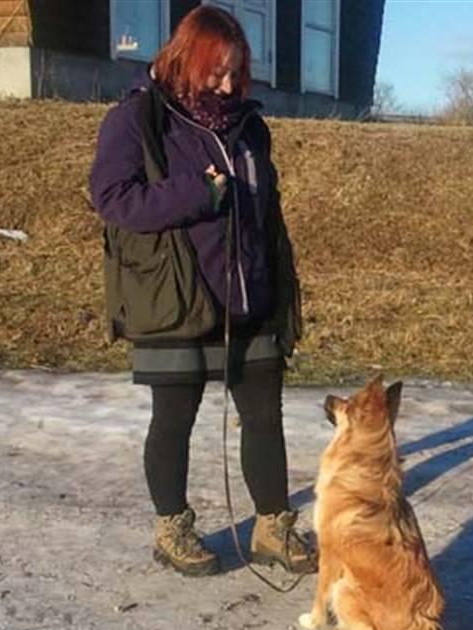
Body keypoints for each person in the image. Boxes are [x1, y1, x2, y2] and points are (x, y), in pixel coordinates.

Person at [89, 6, 315, 577]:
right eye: (216, 70)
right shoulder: (139, 118)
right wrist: (196, 195)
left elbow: (267, 210)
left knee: (265, 416)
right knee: (174, 419)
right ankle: (173, 529)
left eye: (235, 72)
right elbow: (112, 198)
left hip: (250, 293)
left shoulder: (249, 126)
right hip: (175, 294)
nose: (226, 84)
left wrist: (278, 280)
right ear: (187, 58)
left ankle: (272, 526)